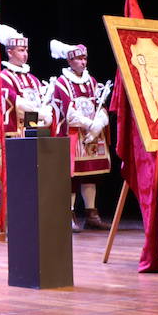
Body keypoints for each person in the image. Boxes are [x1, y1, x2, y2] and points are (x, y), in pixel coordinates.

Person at [49, 40, 111, 233]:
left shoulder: (91, 81)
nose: (83, 62)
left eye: (85, 58)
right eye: (79, 58)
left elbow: (99, 105)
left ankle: (92, 215)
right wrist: (89, 124)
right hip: (74, 134)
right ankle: (69, 214)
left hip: (92, 135)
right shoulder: (62, 82)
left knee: (91, 174)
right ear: (70, 60)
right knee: (73, 177)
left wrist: (99, 122)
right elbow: (69, 113)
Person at [0, 26, 52, 140]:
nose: (25, 54)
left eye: (26, 50)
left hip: (36, 131)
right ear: (10, 53)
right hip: (17, 134)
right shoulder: (4, 77)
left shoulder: (33, 79)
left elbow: (44, 101)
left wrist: (47, 110)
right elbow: (17, 104)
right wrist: (41, 114)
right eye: (21, 50)